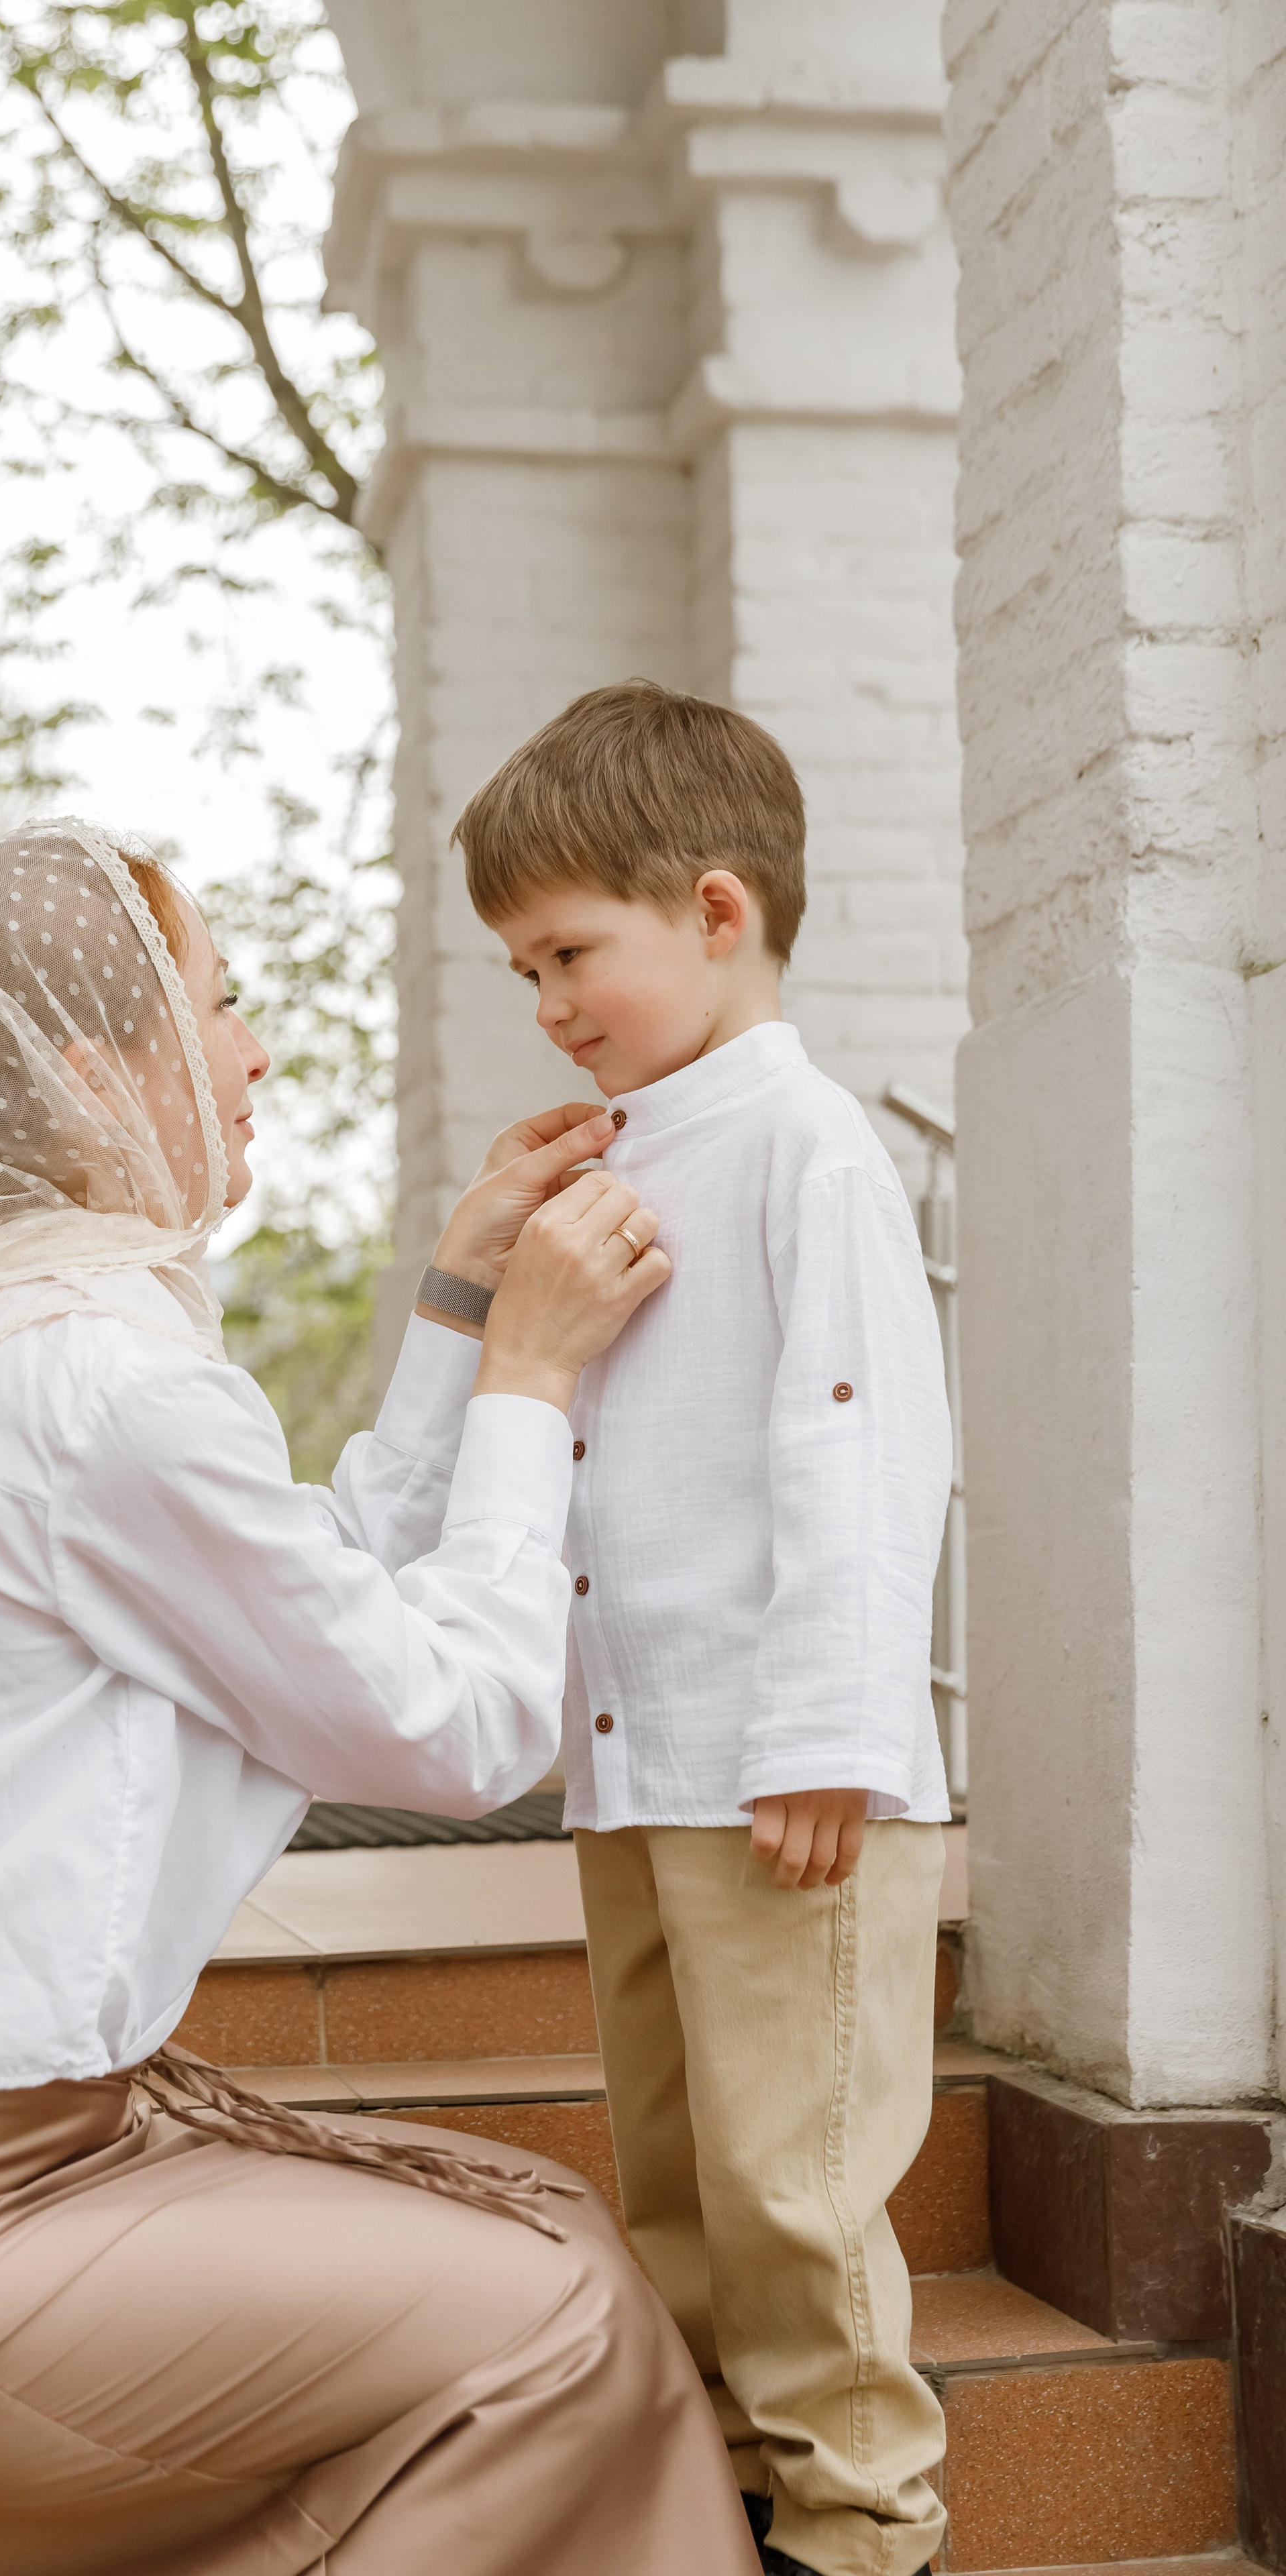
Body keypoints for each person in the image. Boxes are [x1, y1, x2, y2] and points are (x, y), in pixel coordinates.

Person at [0, 816, 759, 2576]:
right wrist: (533, 1386)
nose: (253, 1051)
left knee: (538, 2215)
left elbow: (291, 1604)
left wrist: (463, 1309)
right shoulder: (100, 1381)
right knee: (556, 2311)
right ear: (103, 1069)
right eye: (222, 1005)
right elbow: (455, 1728)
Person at [440, 685, 953, 2576]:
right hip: (644, 1765)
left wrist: (831, 1730)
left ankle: (863, 2528)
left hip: (779, 1769)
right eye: (523, 971)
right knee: (673, 2174)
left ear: (717, 911)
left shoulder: (805, 1148)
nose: (552, 1000)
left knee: (791, 2184)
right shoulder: (624, 1150)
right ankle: (726, 2489)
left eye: (572, 951)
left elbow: (857, 1443)